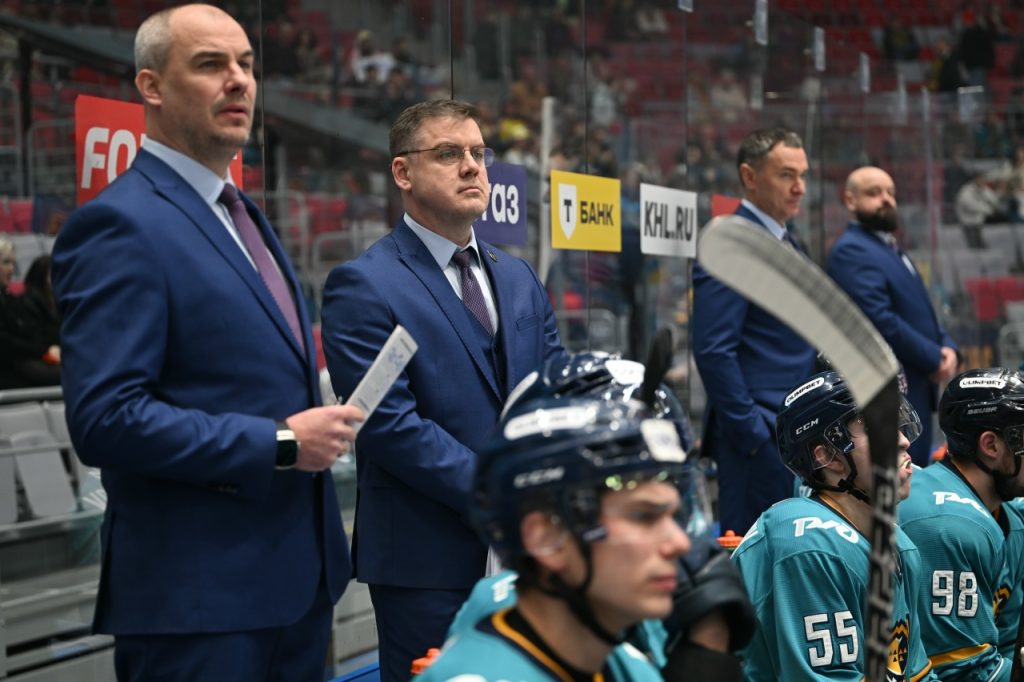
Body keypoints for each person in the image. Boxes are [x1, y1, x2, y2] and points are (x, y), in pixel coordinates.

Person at [50, 5, 364, 680]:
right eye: (210, 64)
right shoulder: (118, 225)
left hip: (296, 589)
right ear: (151, 86)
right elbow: (106, 420)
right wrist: (282, 442)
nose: (239, 80)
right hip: (199, 606)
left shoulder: (243, 214)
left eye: (246, 64)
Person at [320, 98, 566, 681]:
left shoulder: (518, 277)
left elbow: (555, 386)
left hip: (532, 550)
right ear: (403, 172)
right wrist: (502, 488)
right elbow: (388, 426)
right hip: (427, 563)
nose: (472, 166)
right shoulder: (364, 284)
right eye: (449, 153)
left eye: (478, 152)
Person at [415, 393, 693, 681]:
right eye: (643, 516)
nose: (680, 543)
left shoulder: (622, 663)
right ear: (545, 536)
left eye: (674, 516)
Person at [733, 370, 937, 681]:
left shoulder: (899, 545)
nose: (903, 440)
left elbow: (914, 675)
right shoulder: (807, 546)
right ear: (828, 456)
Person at [692, 128, 817, 536]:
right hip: (759, 443)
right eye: (786, 175)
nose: (799, 187)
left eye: (803, 175)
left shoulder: (791, 243)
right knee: (756, 561)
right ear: (749, 176)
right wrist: (753, 435)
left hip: (794, 435)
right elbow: (713, 350)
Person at [826, 166, 959, 466]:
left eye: (890, 192)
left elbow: (920, 311)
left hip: (916, 385)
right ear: (850, 200)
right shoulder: (851, 251)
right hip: (890, 391)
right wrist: (934, 357)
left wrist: (947, 347)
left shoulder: (891, 247)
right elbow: (879, 320)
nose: (886, 199)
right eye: (874, 193)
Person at [898, 368, 1024, 681]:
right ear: (991, 446)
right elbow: (961, 672)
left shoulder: (1010, 517)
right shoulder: (948, 527)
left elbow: (1009, 645)